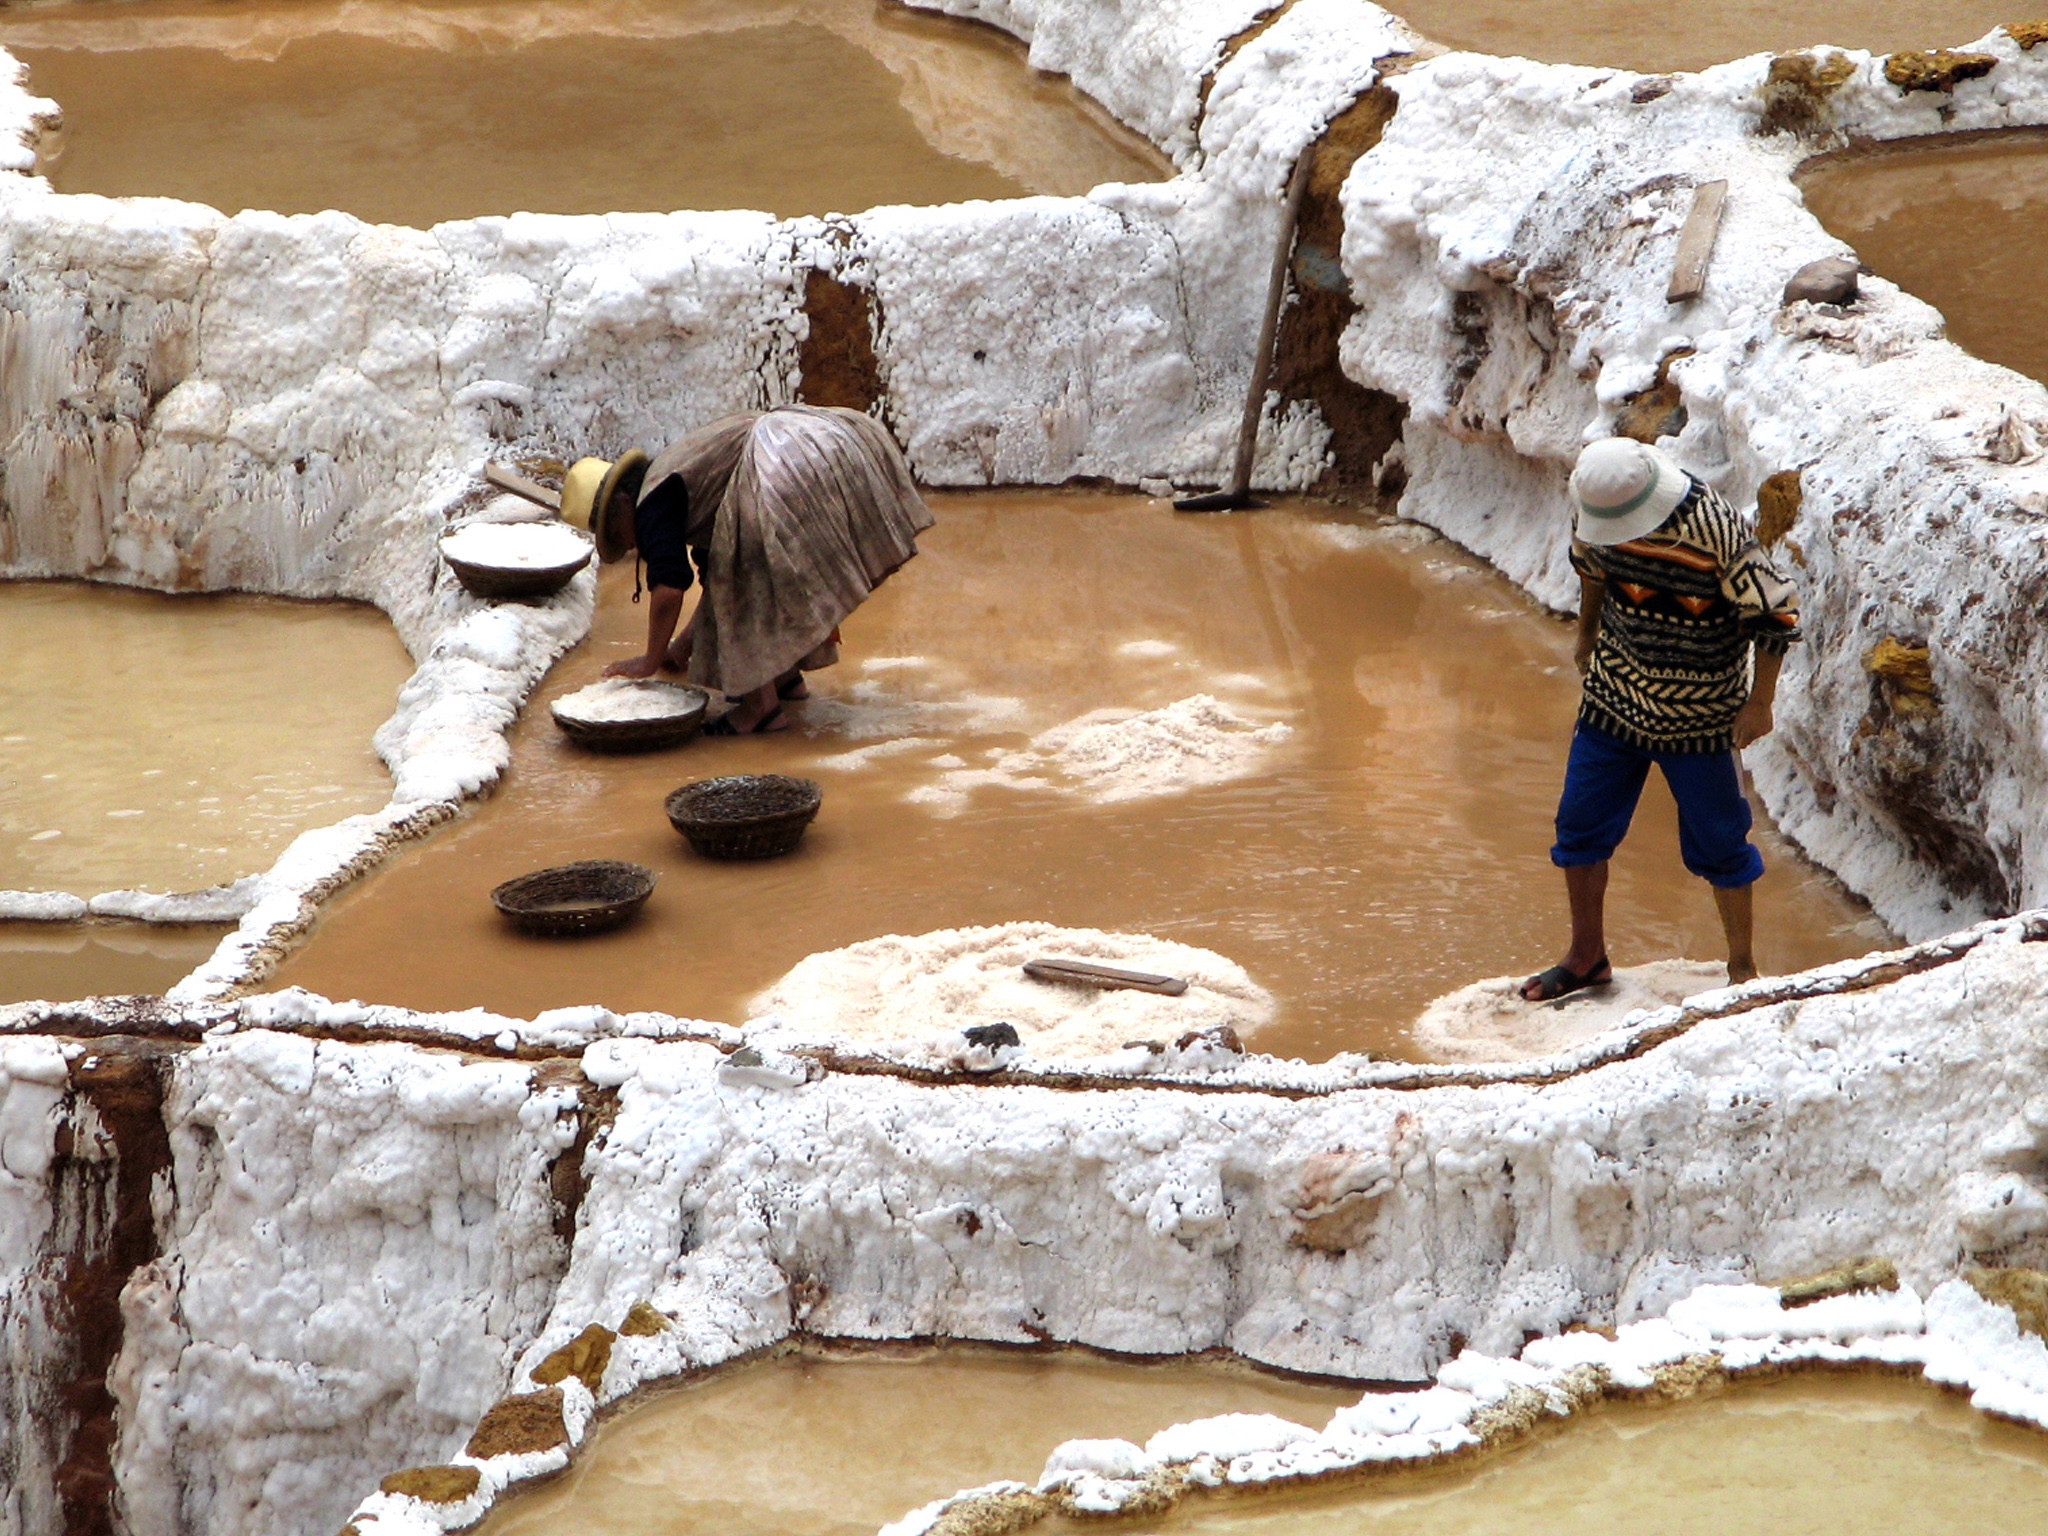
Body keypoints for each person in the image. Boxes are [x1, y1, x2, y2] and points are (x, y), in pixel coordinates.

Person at [1521, 437, 1801, 1002]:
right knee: (1579, 825)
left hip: (1699, 717)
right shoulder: (1595, 504)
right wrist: (1586, 635)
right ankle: (1586, 957)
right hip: (1613, 697)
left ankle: (1742, 971)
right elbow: (1592, 569)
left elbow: (1776, 612)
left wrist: (1760, 703)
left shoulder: (1715, 529)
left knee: (1721, 841)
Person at [560, 405, 934, 734]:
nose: (627, 544)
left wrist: (650, 659)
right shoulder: (681, 483)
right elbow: (712, 585)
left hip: (786, 462)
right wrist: (681, 647)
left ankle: (760, 709)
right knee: (737, 571)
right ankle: (785, 678)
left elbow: (671, 588)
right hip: (811, 443)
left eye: (614, 531)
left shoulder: (651, 503)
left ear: (623, 503)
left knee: (742, 570)